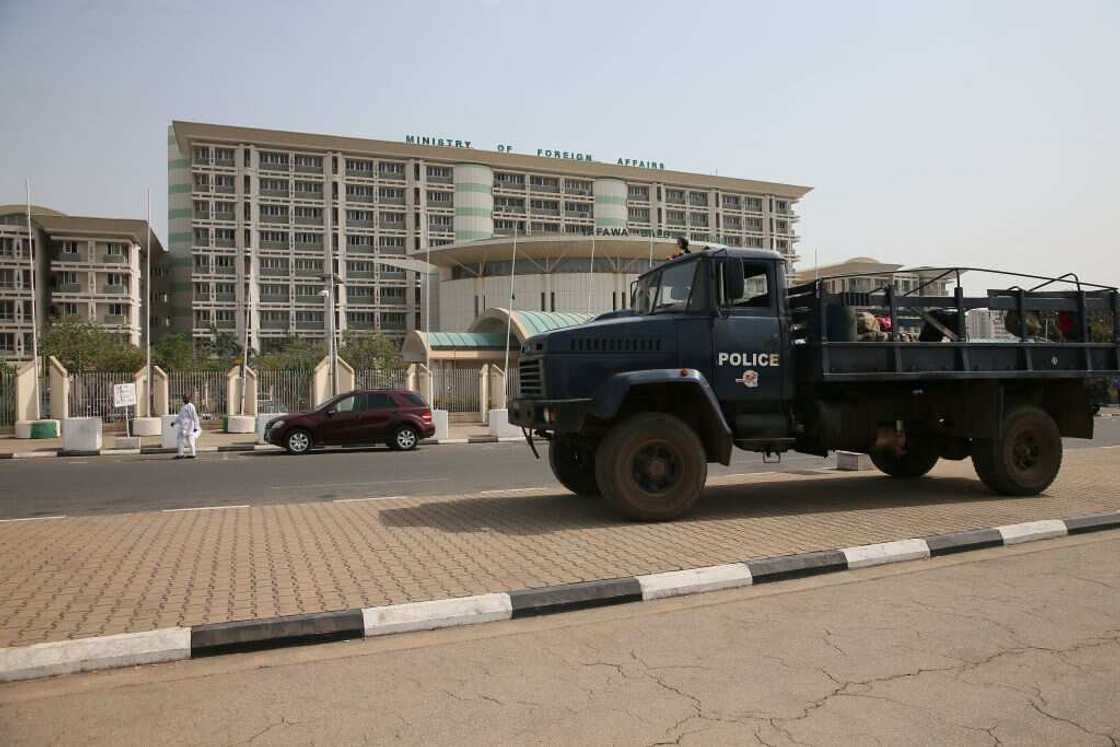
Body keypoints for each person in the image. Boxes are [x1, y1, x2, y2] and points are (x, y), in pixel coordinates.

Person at [175, 393, 201, 459]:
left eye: (185, 398)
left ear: (189, 398)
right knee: (180, 440)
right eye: (183, 398)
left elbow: (195, 417)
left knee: (190, 441)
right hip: (183, 427)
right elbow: (180, 416)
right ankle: (180, 454)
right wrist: (174, 422)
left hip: (189, 427)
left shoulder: (191, 406)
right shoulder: (183, 406)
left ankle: (193, 454)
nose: (184, 399)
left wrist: (196, 427)